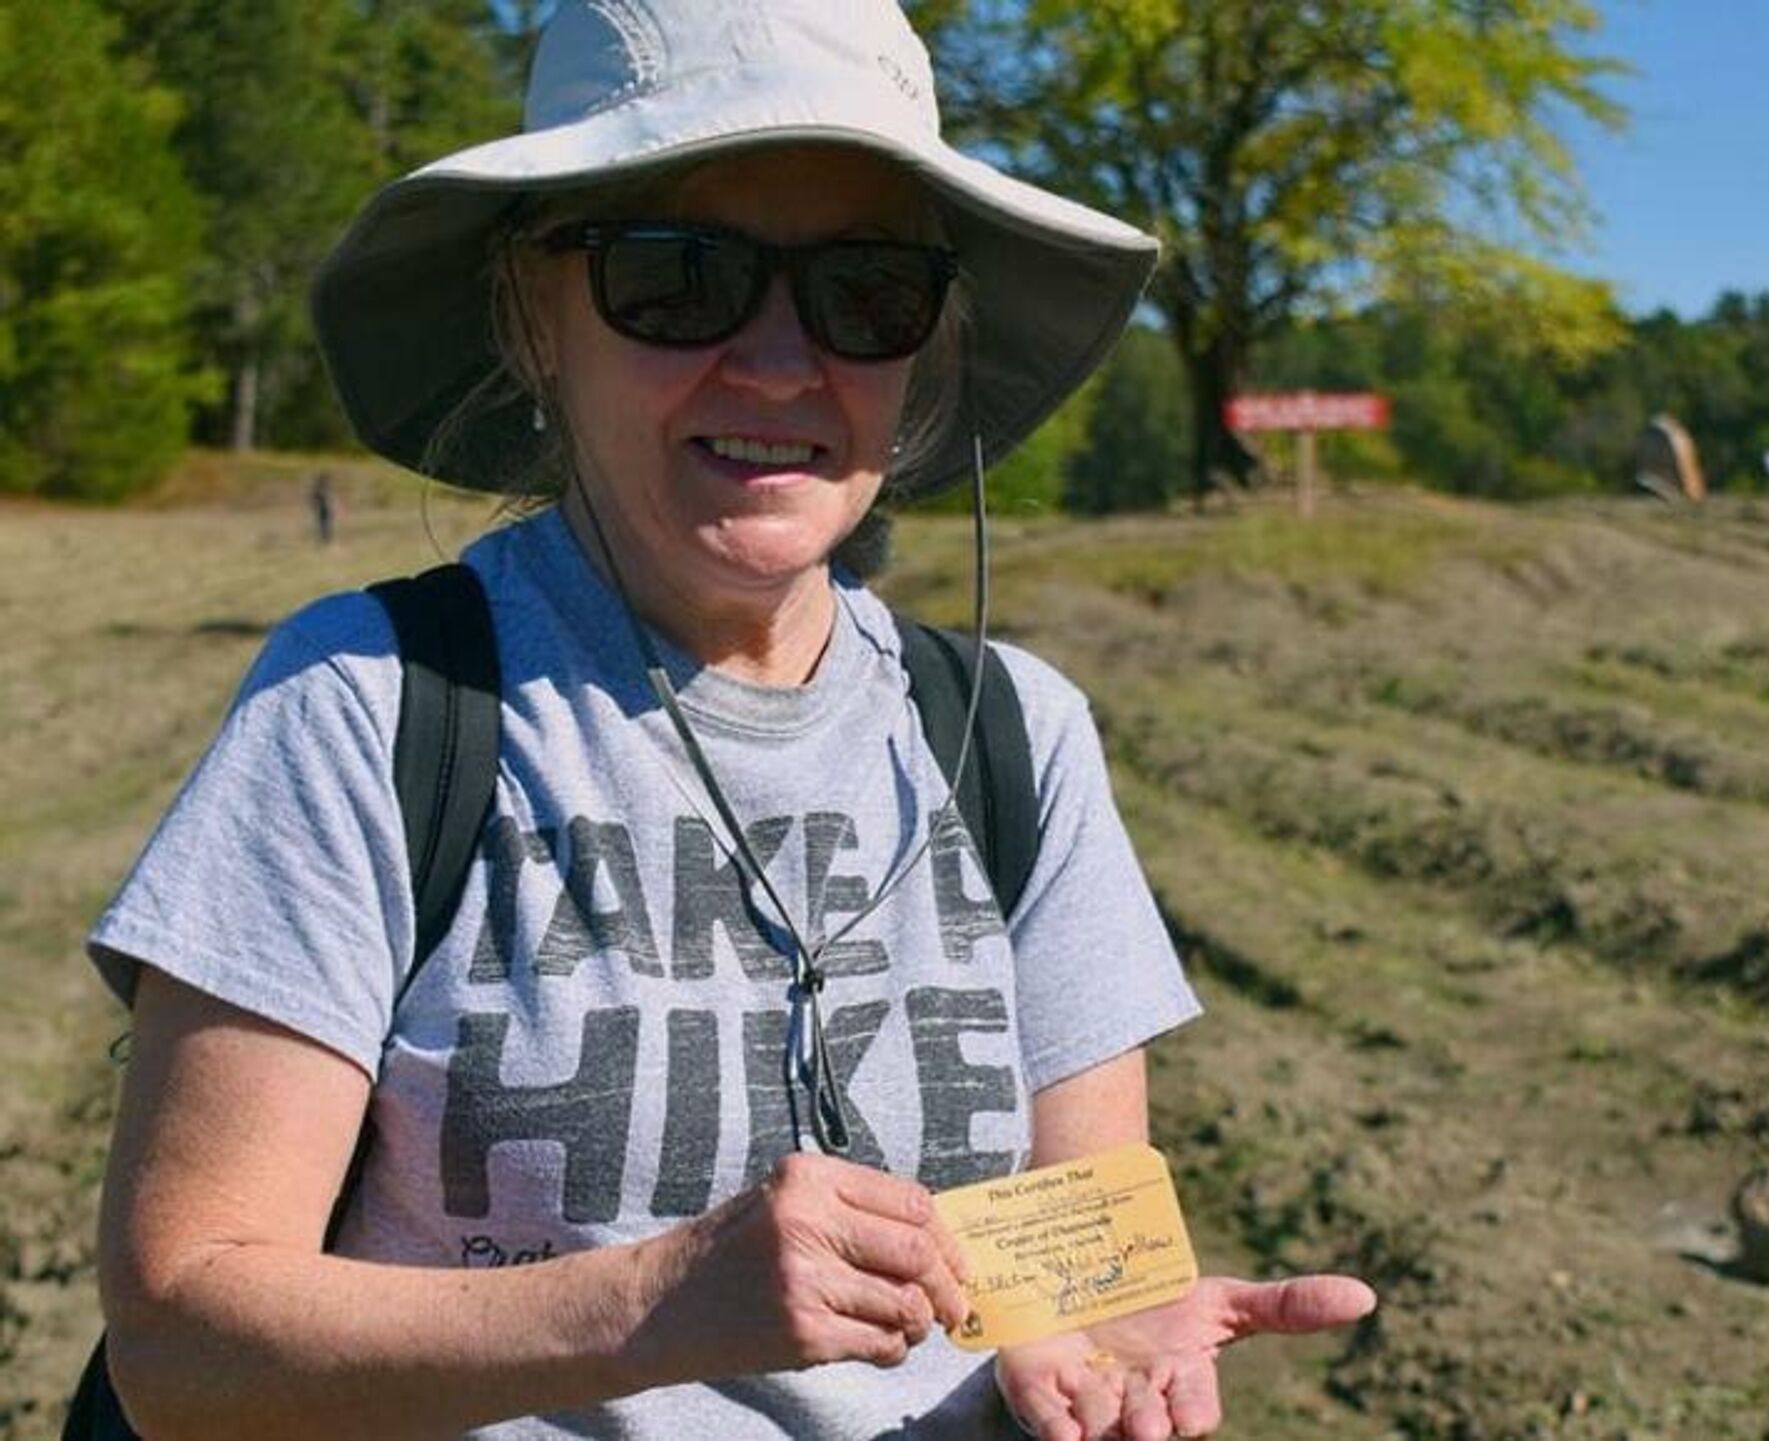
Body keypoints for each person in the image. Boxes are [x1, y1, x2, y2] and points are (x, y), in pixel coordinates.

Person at [86, 2, 1375, 1438]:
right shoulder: (371, 708)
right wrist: (656, 1297)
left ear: (926, 340)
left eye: (865, 289)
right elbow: (180, 1335)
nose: (778, 364)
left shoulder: (1019, 734)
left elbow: (1073, 1249)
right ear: (533, 311)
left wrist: (1102, 1339)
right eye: (678, 275)